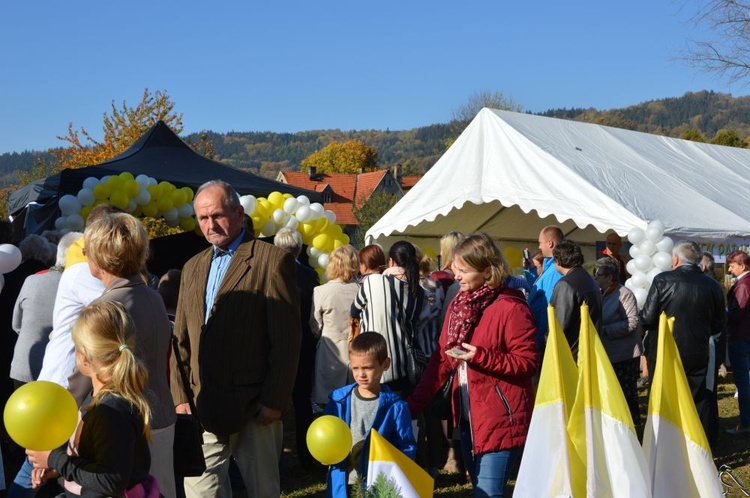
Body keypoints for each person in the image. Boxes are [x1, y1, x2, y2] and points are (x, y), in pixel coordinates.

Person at [170, 180, 301, 498]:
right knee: (201, 492)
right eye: (202, 218)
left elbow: (286, 339)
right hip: (203, 407)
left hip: (255, 408)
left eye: (217, 215)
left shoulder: (271, 260)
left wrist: (273, 400)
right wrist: (180, 397)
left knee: (262, 492)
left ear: (239, 213)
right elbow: (181, 339)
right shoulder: (192, 267)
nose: (210, 225)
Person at [408, 232, 539, 498]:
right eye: (455, 269)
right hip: (468, 419)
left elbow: (528, 363)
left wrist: (481, 356)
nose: (456, 276)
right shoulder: (459, 305)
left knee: (487, 493)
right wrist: (411, 406)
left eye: (463, 271)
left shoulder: (512, 307)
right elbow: (442, 361)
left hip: (501, 419)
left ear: (487, 270)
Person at [82, 212, 176, 498]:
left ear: (101, 255)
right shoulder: (153, 295)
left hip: (128, 425)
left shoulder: (107, 307)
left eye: (87, 250)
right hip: (161, 416)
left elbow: (87, 373)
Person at [26, 301, 157, 498]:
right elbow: (100, 462)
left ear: (84, 357)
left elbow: (111, 480)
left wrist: (56, 459)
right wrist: (63, 469)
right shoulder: (103, 397)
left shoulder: (110, 411)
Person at [640, 241, 725, 448]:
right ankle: (698, 445)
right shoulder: (712, 285)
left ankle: (664, 445)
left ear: (675, 259)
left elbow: (648, 319)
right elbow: (718, 324)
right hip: (699, 351)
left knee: (665, 398)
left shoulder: (662, 280)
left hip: (666, 351)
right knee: (698, 399)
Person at [324, 332, 416, 498]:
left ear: (385, 364)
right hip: (343, 483)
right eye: (355, 368)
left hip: (378, 485)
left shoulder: (395, 407)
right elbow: (326, 437)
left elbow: (406, 447)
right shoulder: (338, 401)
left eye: (367, 368)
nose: (361, 374)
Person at [351, 241, 427, 395]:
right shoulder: (419, 291)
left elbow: (354, 311)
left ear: (391, 261)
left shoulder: (374, 282)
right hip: (407, 364)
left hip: (378, 363)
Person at [273, 227, 319, 469]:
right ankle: (306, 455)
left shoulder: (268, 273)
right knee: (302, 405)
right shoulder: (310, 277)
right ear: (300, 249)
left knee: (274, 406)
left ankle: (275, 458)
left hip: (275, 348)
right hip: (303, 347)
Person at [10, 231, 80, 386]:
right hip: (58, 371)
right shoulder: (76, 287)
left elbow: (16, 324)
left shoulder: (32, 280)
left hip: (24, 363)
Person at [593, 257, 643, 426]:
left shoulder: (624, 294)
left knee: (626, 394)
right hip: (608, 353)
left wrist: (605, 330)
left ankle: (632, 425)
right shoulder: (599, 293)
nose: (595, 277)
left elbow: (632, 323)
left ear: (609, 277)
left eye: (598, 274)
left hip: (624, 355)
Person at [310, 245, 360, 405]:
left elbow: (315, 326)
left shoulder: (321, 291)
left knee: (328, 404)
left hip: (330, 352)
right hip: (356, 351)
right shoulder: (361, 290)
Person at [550, 239, 603, 359]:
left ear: (558, 260)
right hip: (591, 350)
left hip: (572, 354)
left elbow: (559, 325)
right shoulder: (590, 280)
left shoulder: (566, 284)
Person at [528, 226, 564, 351]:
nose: (539, 247)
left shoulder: (555, 270)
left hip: (544, 338)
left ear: (550, 243)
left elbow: (548, 307)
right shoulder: (550, 267)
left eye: (540, 243)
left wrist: (542, 339)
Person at [725, 250, 750, 435]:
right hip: (744, 335)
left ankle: (746, 422)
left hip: (741, 337)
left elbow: (737, 312)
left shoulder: (743, 285)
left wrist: (721, 315)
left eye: (732, 265)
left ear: (742, 266)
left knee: (743, 382)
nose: (729, 269)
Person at [430, 231, 464, 295]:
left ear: (446, 251)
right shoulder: (473, 273)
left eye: (441, 249)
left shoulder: (439, 276)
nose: (440, 253)